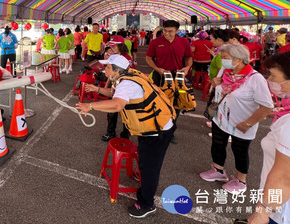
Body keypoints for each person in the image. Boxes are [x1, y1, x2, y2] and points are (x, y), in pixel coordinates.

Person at [76, 55, 176, 219]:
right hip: (155, 126)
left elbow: (117, 104)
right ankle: (144, 185)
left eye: (107, 67)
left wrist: (91, 106)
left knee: (150, 169)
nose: (104, 69)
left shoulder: (127, 83)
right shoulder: (129, 75)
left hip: (157, 131)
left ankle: (146, 204)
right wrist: (98, 90)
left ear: (116, 70)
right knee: (146, 163)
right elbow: (115, 93)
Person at [199, 44, 273, 193]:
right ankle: (218, 170)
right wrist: (214, 82)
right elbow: (217, 87)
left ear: (238, 60)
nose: (222, 60)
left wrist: (248, 123)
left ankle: (241, 180)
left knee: (239, 150)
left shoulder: (255, 78)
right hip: (220, 118)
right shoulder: (225, 70)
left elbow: (267, 106)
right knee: (218, 144)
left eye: (225, 58)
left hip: (242, 123)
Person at [239, 52, 290, 224]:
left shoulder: (289, 124)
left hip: (280, 209)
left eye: (273, 75)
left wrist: (262, 212)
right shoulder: (285, 112)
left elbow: (284, 177)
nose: (269, 80)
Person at [146, 20, 193, 144]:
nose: (167, 34)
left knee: (176, 104)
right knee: (157, 101)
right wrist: (157, 69)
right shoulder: (156, 42)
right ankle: (155, 127)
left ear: (177, 31)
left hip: (177, 76)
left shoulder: (184, 42)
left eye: (170, 31)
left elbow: (189, 57)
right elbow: (148, 58)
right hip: (160, 74)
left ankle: (170, 131)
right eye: (165, 31)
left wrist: (187, 68)